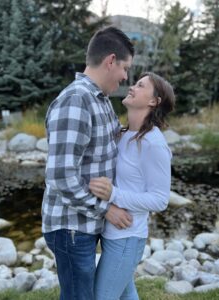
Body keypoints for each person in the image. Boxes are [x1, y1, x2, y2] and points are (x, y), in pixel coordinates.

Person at [41, 26, 134, 300]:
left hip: (84, 223)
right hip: (71, 226)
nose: (125, 76)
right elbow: (61, 177)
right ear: (110, 61)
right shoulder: (76, 100)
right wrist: (106, 210)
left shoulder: (101, 99)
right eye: (125, 68)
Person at [89, 72, 175, 300]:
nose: (131, 87)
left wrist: (113, 194)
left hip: (127, 238)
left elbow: (160, 199)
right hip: (111, 233)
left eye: (140, 85)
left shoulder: (153, 143)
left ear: (153, 101)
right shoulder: (124, 134)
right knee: (127, 294)